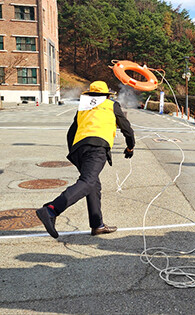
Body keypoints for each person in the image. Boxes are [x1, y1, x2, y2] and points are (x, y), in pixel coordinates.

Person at [36, 81, 135, 238]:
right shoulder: (111, 105)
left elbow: (71, 131)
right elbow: (127, 128)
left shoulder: (84, 106)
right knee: (88, 182)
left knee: (93, 184)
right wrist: (130, 147)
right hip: (97, 148)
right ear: (107, 95)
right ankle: (51, 210)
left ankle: (97, 225)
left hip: (79, 149)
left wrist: (73, 152)